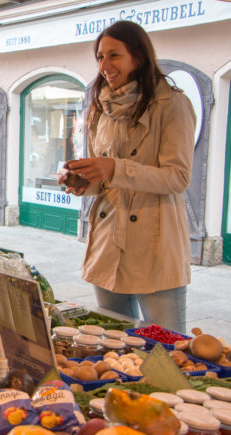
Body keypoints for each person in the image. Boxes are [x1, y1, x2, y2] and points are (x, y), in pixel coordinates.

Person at [59, 21, 195, 333]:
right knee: (112, 345)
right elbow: (104, 180)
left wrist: (115, 169)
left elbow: (178, 177)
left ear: (139, 56)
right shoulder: (99, 109)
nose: (104, 65)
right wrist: (81, 181)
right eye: (99, 56)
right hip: (109, 244)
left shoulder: (172, 105)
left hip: (155, 249)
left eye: (113, 56)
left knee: (166, 349)